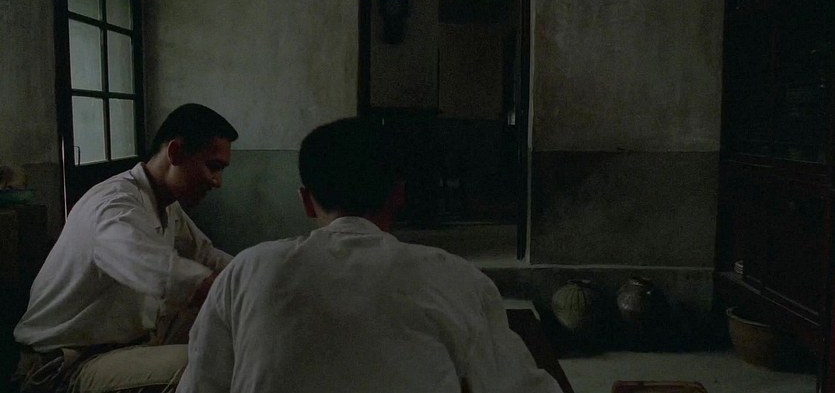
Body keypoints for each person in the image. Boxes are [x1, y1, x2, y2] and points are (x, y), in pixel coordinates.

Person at [176, 117, 559, 393]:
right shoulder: (456, 278)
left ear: (306, 201)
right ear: (399, 194)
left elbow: (200, 383)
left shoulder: (247, 270)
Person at [13, 103, 238, 393]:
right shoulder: (114, 206)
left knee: (219, 331)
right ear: (176, 152)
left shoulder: (165, 205)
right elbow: (161, 271)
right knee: (209, 363)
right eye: (213, 167)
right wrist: (231, 290)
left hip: (122, 345)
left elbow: (207, 255)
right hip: (65, 365)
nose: (217, 181)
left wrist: (260, 272)